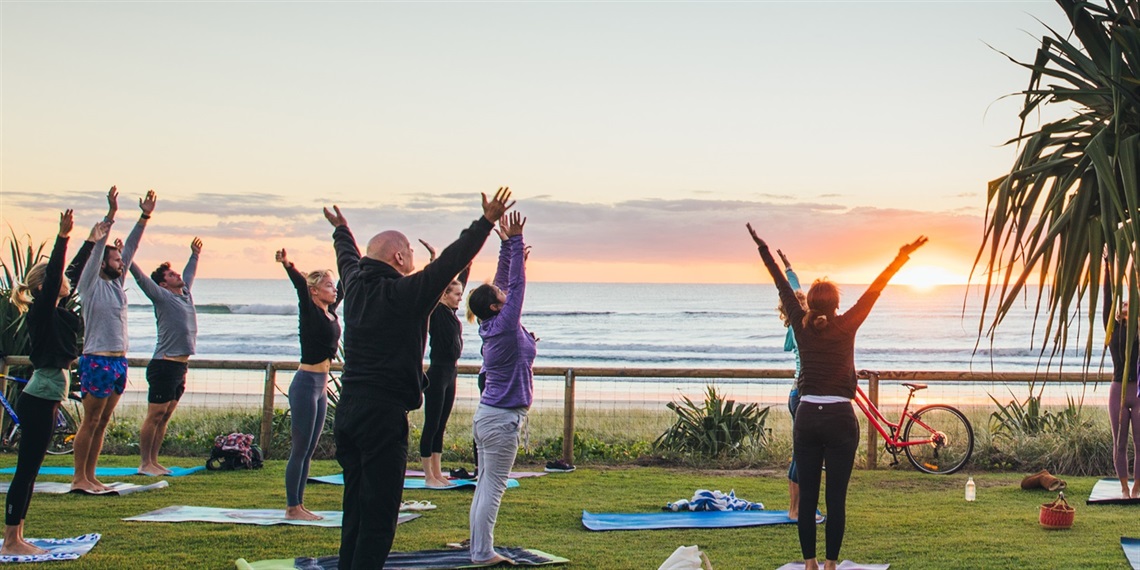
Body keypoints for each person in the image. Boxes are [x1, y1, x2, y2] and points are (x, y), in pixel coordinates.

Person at [327, 187, 513, 569]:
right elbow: (450, 262)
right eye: (409, 251)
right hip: (382, 417)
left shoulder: (355, 284)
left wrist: (342, 230)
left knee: (355, 509)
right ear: (398, 257)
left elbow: (346, 257)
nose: (413, 256)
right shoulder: (405, 292)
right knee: (379, 518)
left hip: (348, 412)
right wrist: (486, 222)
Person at [747, 223, 925, 570]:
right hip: (841, 419)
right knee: (836, 500)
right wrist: (902, 256)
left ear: (810, 304)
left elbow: (782, 285)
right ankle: (830, 565)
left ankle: (810, 564)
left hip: (807, 417)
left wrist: (763, 249)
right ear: (838, 304)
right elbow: (876, 289)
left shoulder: (799, 323)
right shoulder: (847, 324)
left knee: (809, 496)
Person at [3, 211, 105, 555]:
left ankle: (17, 536)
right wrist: (63, 237)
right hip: (39, 398)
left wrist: (90, 241)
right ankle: (11, 540)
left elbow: (70, 273)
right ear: (44, 287)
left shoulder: (56, 309)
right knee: (26, 471)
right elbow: (59, 272)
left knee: (30, 472)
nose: (66, 281)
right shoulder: (42, 311)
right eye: (57, 279)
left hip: (46, 396)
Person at [73, 188, 155, 492]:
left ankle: (91, 476)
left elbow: (131, 248)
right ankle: (79, 478)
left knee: (103, 422)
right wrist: (111, 214)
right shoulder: (90, 284)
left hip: (119, 361)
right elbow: (97, 252)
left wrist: (144, 216)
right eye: (116, 259)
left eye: (121, 260)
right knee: (90, 420)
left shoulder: (117, 285)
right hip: (97, 359)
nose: (121, 263)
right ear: (103, 263)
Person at [466, 211, 533, 566]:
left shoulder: (492, 322)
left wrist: (507, 248)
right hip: (501, 420)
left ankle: (479, 548)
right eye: (500, 296)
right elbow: (516, 287)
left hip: (490, 417)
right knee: (492, 487)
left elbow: (503, 284)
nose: (504, 294)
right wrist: (517, 241)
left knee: (485, 484)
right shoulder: (505, 326)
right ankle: (482, 552)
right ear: (495, 307)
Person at [275, 248, 342, 520]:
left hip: (321, 386)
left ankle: (299, 505)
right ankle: (292, 507)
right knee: (300, 450)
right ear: (314, 291)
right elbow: (300, 286)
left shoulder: (330, 311)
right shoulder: (309, 310)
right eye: (328, 286)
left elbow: (346, 284)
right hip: (305, 384)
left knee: (309, 451)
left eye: (333, 285)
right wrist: (288, 264)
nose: (333, 290)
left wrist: (357, 261)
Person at [128, 237, 202, 476]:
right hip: (164, 364)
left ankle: (154, 461)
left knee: (165, 416)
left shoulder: (185, 294)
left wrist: (194, 254)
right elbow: (141, 279)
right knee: (155, 415)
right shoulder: (161, 296)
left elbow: (189, 274)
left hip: (180, 367)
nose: (177, 274)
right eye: (171, 274)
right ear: (162, 284)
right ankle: (144, 463)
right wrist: (127, 257)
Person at [418, 238, 470, 488]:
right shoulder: (436, 311)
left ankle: (438, 473)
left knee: (441, 425)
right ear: (444, 295)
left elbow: (462, 281)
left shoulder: (450, 313)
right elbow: (434, 283)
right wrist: (433, 260)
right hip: (437, 373)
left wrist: (468, 261)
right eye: (456, 295)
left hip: (451, 373)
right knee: (431, 424)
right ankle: (428, 476)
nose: (460, 298)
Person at [775, 249, 807, 520]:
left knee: (805, 453)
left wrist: (788, 268)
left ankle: (799, 508)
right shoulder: (800, 330)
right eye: (802, 302)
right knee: (800, 454)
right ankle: (794, 509)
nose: (805, 301)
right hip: (800, 396)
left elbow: (795, 289)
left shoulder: (802, 321)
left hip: (801, 394)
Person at [1104, 260, 1139, 497]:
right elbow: (1108, 300)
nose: (1125, 304)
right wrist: (1107, 267)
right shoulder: (1112, 329)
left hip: (1138, 391)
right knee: (1120, 443)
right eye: (1123, 303)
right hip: (1118, 389)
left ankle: (1137, 488)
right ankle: (1124, 488)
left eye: (1130, 302)